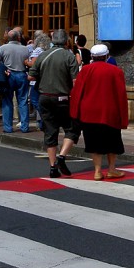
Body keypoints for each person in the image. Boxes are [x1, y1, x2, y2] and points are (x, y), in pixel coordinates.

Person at [70, 43, 128, 180]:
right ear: (106, 56)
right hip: (110, 111)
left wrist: (74, 113)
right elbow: (121, 94)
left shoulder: (85, 70)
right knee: (112, 142)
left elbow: (77, 92)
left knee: (94, 142)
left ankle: (97, 171)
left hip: (89, 112)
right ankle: (112, 169)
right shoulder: (116, 71)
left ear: (92, 56)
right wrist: (123, 117)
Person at [28, 29, 79, 178]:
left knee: (50, 131)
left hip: (44, 97)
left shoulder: (42, 55)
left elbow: (31, 77)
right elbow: (75, 81)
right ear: (65, 41)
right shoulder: (69, 57)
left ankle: (52, 167)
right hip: (62, 97)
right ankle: (62, 157)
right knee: (72, 127)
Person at [0, 27, 30, 133]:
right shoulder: (25, 48)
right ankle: (24, 126)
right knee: (23, 101)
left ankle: (8, 127)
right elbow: (28, 61)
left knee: (7, 100)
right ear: (19, 38)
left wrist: (3, 68)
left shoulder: (3, 48)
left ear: (8, 38)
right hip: (22, 74)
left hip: (9, 75)